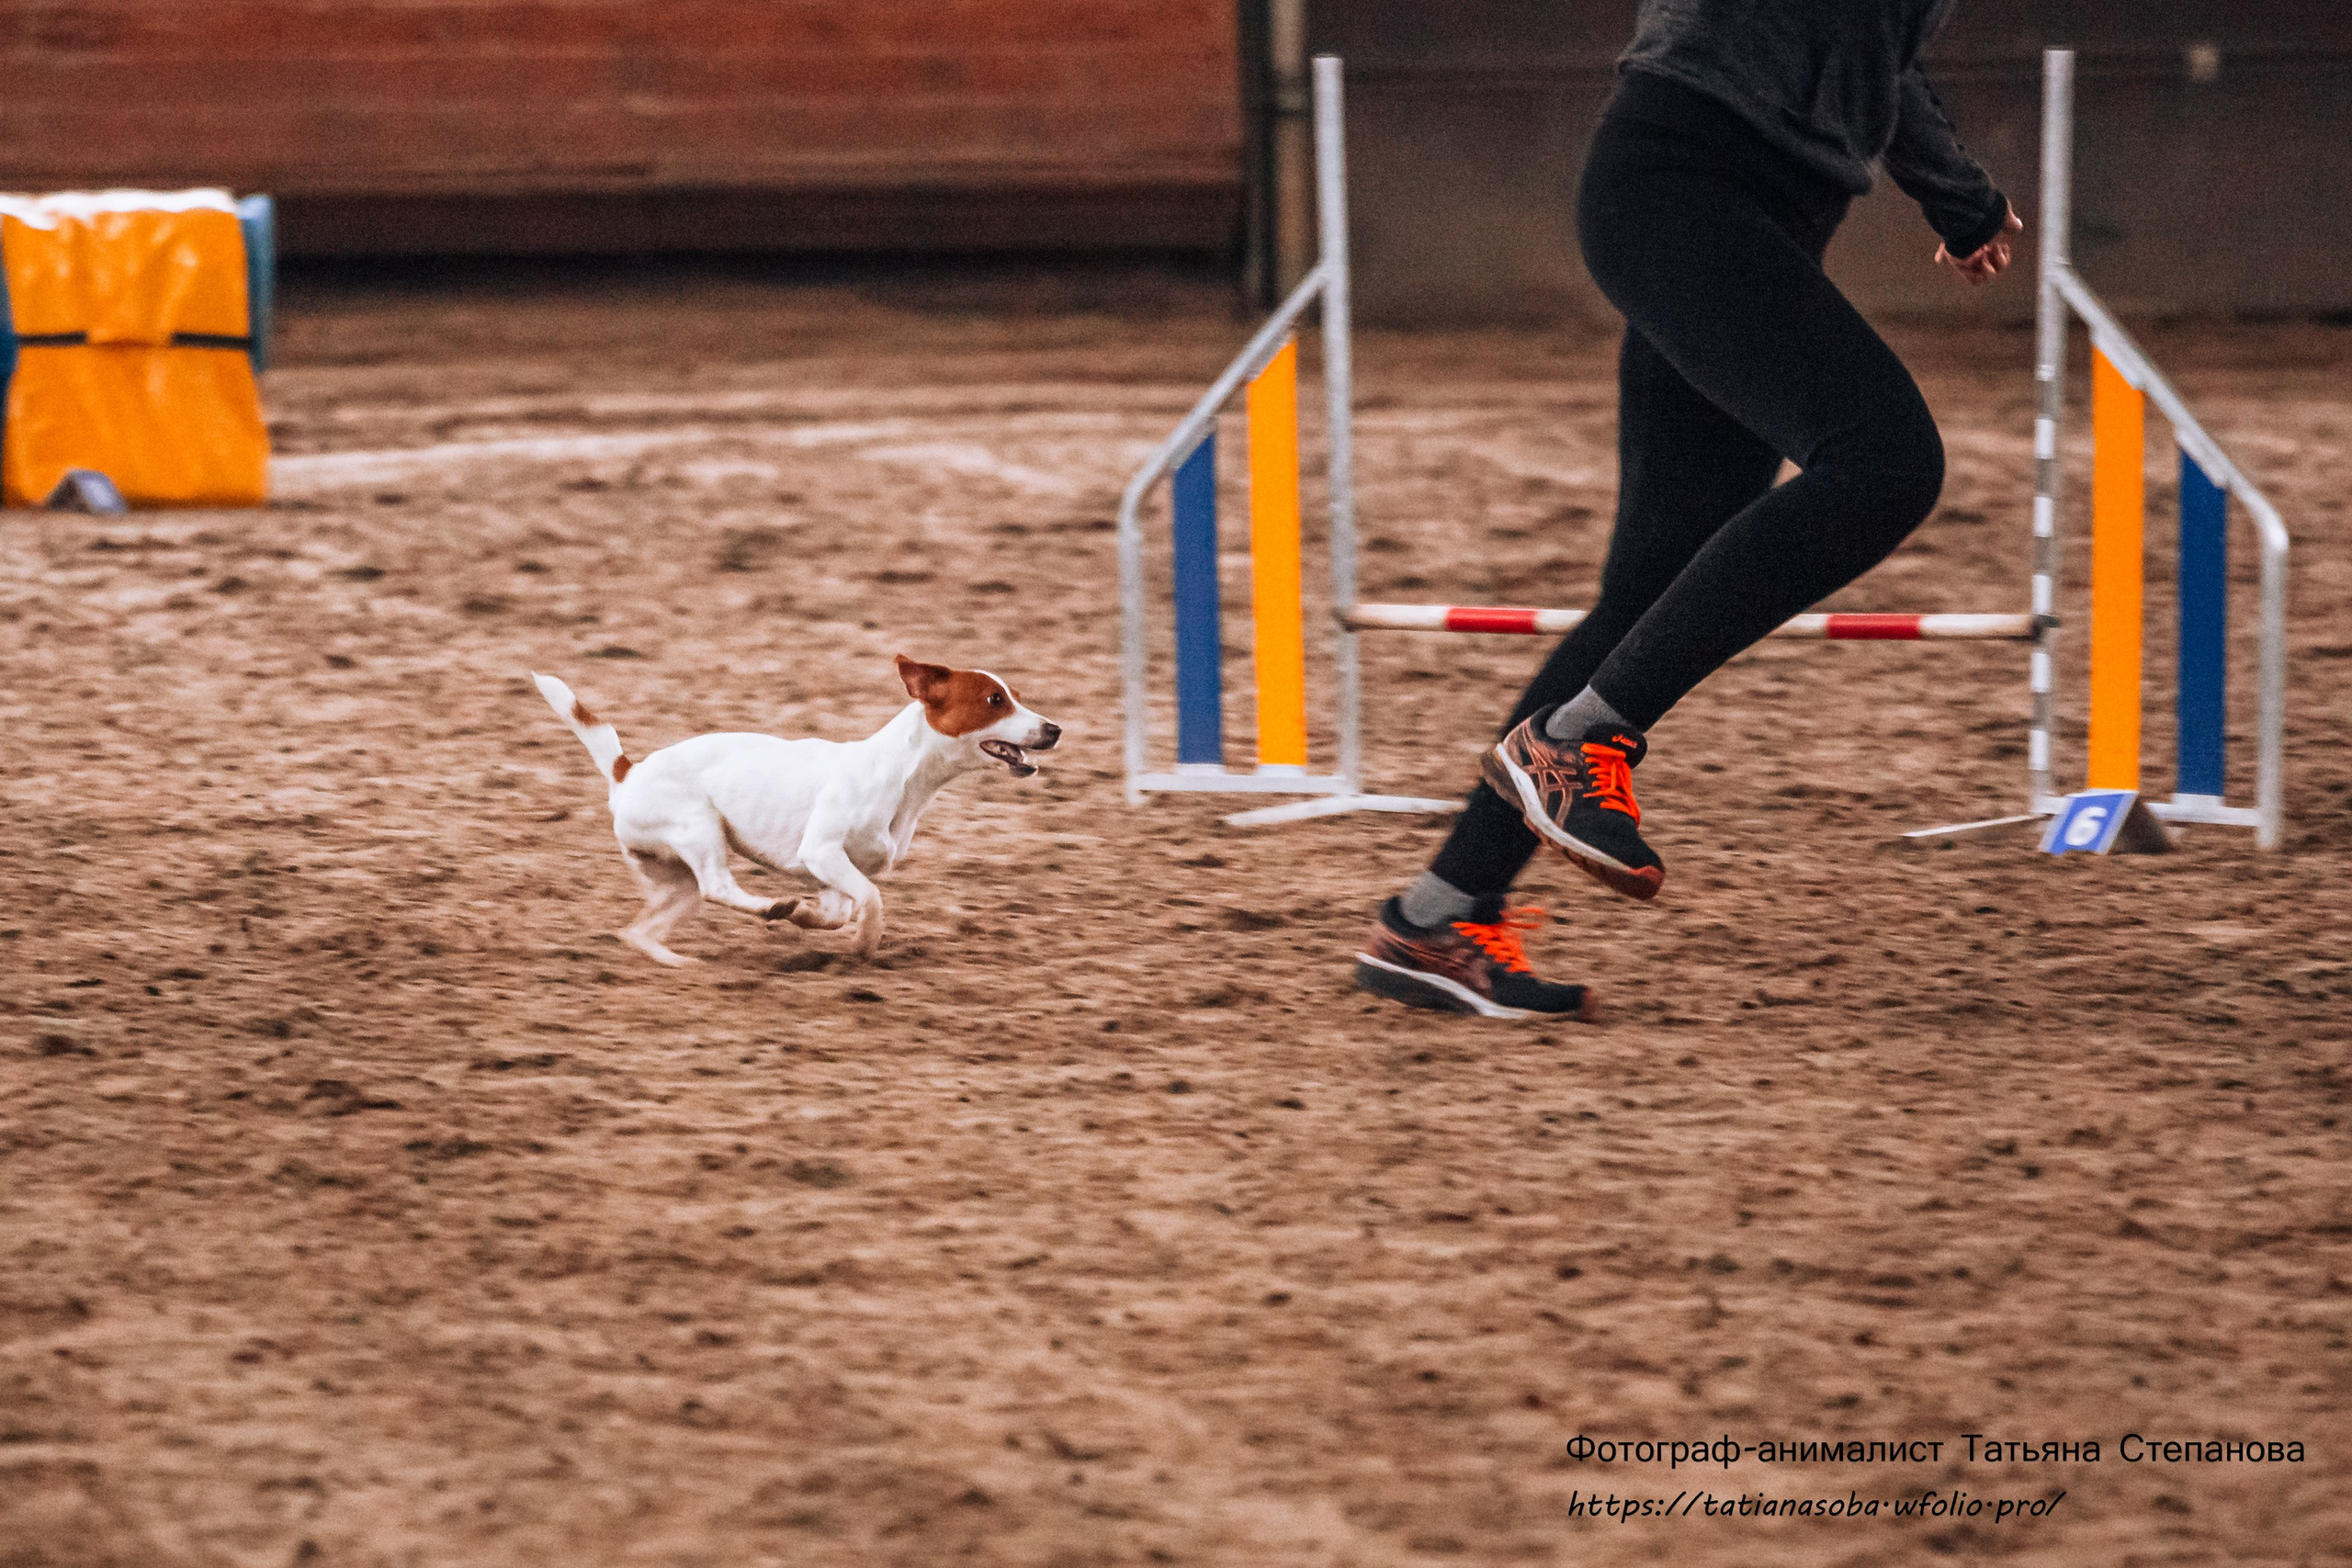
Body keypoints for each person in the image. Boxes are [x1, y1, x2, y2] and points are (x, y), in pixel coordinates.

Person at [1354, 0, 2021, 1021]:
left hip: (1748, 215)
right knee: (1885, 463)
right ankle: (1578, 744)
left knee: (1648, 593)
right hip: (1682, 185)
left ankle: (1432, 919)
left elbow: (1877, 54)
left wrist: (1960, 201)